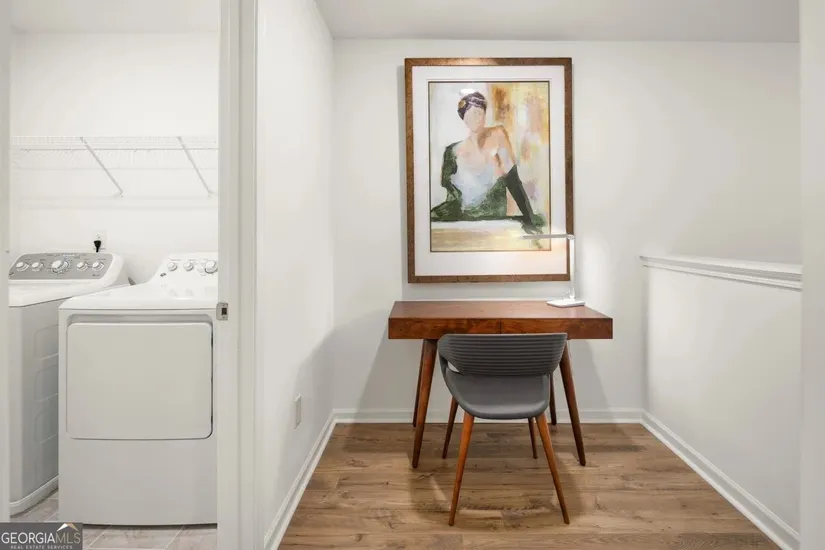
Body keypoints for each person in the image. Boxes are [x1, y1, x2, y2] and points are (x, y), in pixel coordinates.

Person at [430, 91, 544, 234]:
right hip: (460, 219)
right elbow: (449, 188)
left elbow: (514, 182)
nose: (477, 118)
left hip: (492, 218)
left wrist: (529, 217)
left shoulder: (498, 136)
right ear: (464, 118)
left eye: (480, 113)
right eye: (473, 113)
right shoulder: (452, 152)